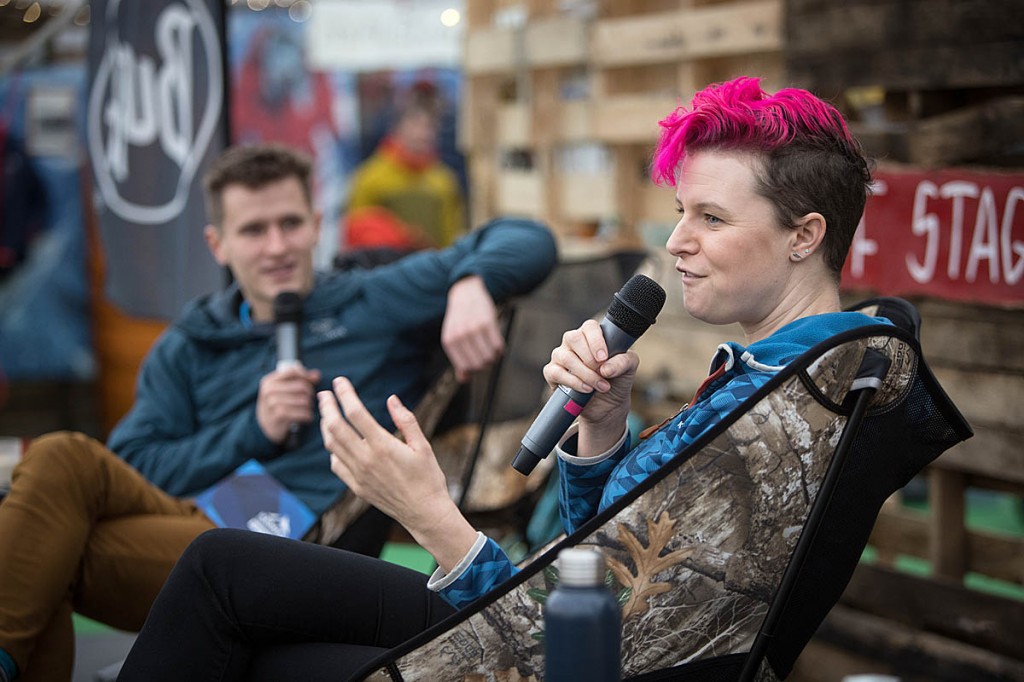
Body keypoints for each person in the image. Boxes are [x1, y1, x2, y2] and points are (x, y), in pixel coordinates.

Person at [116, 76, 881, 681]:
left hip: (536, 641)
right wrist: (601, 430)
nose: (676, 240)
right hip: (539, 612)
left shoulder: (780, 412)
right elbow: (606, 549)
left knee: (223, 575)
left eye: (711, 218)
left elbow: (590, 650)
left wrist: (428, 513)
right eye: (680, 211)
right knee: (239, 607)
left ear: (803, 236)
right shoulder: (789, 372)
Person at [0, 144, 556, 682]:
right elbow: (131, 467)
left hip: (298, 547)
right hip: (194, 522)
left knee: (39, 555)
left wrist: (472, 283)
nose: (276, 246)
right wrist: (251, 430)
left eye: (290, 223)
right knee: (60, 459)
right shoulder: (193, 343)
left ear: (316, 225)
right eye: (252, 230)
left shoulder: (369, 300)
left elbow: (527, 237)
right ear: (217, 244)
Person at [341, 81, 465, 251]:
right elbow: (355, 233)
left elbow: (451, 236)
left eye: (429, 127)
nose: (422, 134)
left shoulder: (443, 180)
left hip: (432, 270)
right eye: (415, 125)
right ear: (397, 129)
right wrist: (400, 236)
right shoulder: (370, 177)